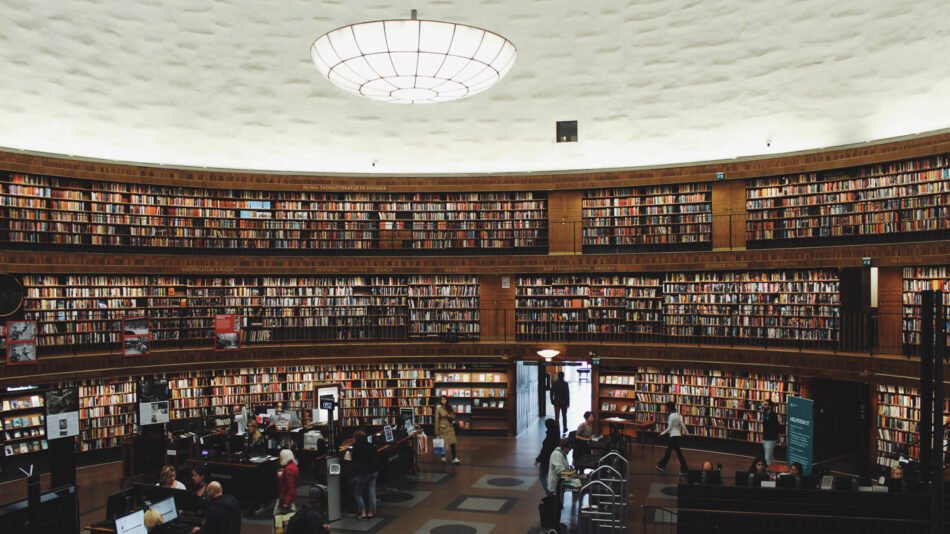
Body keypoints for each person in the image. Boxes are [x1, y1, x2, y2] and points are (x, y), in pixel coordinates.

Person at [351, 430, 380, 519]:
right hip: (373, 472)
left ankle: (363, 512)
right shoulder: (370, 445)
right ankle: (371, 512)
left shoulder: (357, 447)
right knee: (371, 492)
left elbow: (354, 459)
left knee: (358, 493)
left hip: (363, 473)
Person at [656, 401, 689, 474]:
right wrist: (687, 432)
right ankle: (662, 465)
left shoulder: (671, 416)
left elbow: (669, 428)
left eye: (666, 407)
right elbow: (682, 424)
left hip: (673, 436)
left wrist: (661, 433)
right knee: (671, 452)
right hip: (677, 435)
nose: (666, 408)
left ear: (669, 407)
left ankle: (684, 469)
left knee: (673, 453)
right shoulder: (677, 415)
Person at [534, 418, 560, 495]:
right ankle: (552, 491)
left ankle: (549, 493)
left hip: (546, 459)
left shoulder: (549, 436)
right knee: (550, 476)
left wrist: (538, 459)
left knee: (542, 477)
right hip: (553, 458)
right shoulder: (556, 434)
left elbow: (545, 450)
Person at [435, 394, 460, 464]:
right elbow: (437, 420)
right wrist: (436, 431)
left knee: (452, 443)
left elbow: (454, 416)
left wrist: (451, 416)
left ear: (446, 400)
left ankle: (454, 458)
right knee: (442, 443)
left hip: (450, 428)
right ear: (440, 401)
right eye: (442, 399)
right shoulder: (439, 409)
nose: (443, 401)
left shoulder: (449, 407)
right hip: (442, 428)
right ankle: (443, 456)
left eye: (444, 399)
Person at [276, 449, 299, 514]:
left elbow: (290, 487)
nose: (280, 459)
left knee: (280, 517)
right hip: (290, 497)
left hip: (285, 496)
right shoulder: (293, 466)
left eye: (281, 457)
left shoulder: (288, 469)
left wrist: (286, 502)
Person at [761, 400, 781, 466]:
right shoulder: (765, 413)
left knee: (767, 458)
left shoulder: (773, 415)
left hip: (771, 439)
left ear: (770, 406)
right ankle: (774, 471)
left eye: (766, 404)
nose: (764, 406)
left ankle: (769, 473)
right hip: (765, 438)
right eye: (764, 404)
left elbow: (775, 427)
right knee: (770, 456)